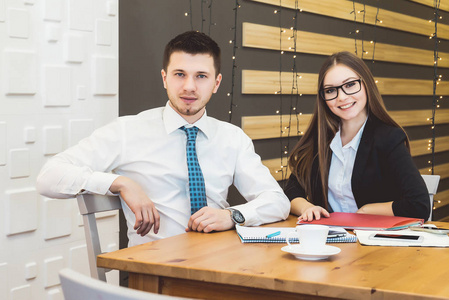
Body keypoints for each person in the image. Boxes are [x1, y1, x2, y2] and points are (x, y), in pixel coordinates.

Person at [37, 31, 290, 246]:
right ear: (164, 78)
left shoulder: (232, 138)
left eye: (201, 76)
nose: (189, 87)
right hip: (156, 269)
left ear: (216, 83)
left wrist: (232, 215)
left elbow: (277, 202)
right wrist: (121, 182)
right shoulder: (128, 131)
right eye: (180, 74)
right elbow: (48, 177)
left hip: (219, 261)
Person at [285, 51, 430, 222]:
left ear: (366, 84)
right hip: (331, 240)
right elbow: (291, 190)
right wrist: (308, 207)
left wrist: (367, 210)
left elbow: (419, 205)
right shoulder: (322, 139)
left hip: (378, 242)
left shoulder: (388, 138)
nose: (342, 97)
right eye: (331, 90)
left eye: (350, 85)